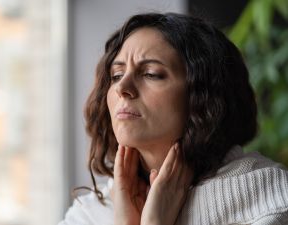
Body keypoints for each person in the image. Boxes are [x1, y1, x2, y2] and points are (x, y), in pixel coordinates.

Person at [59, 12, 288, 225]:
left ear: (205, 96)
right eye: (117, 75)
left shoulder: (270, 198)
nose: (122, 88)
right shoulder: (90, 213)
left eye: (151, 74)